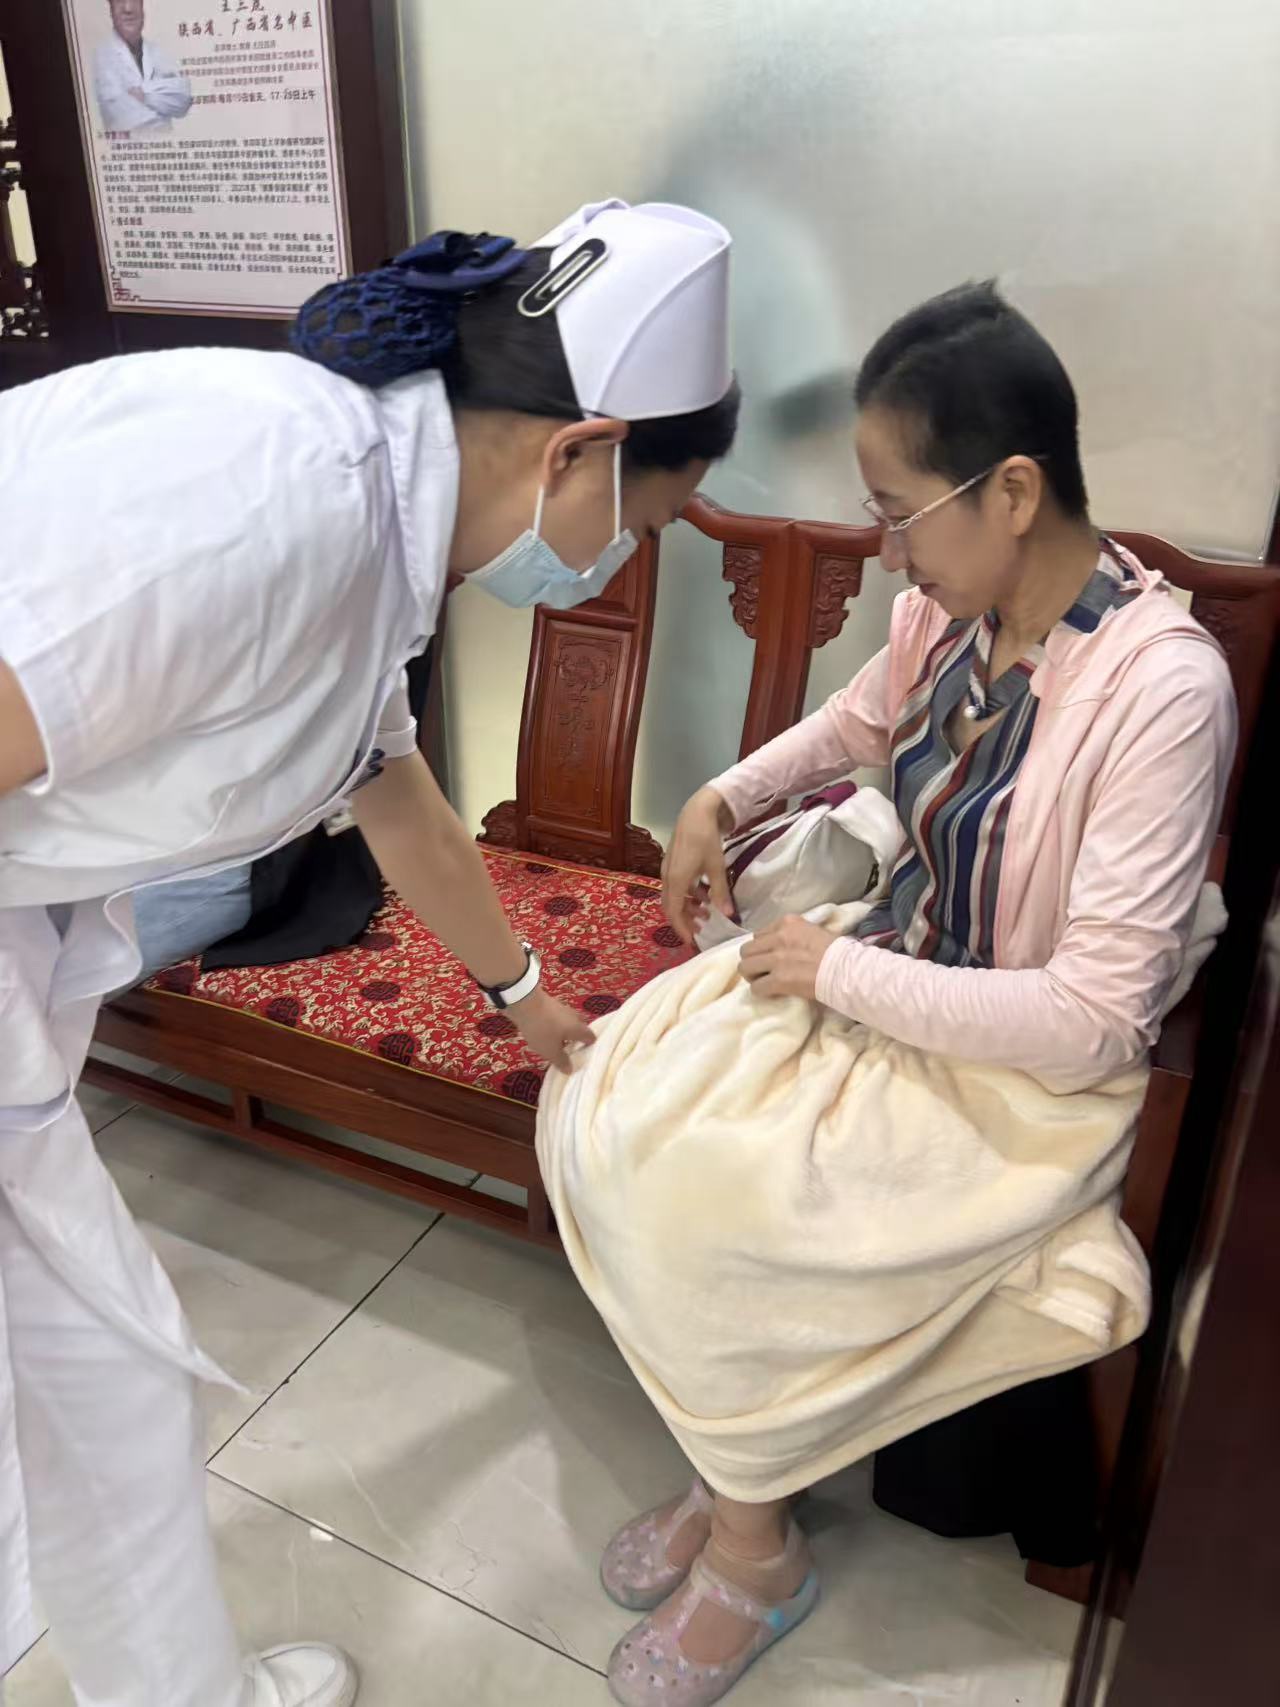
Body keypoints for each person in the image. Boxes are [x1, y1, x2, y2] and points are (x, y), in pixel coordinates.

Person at [0, 198, 737, 1707]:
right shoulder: (276, 498)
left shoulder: (370, 530)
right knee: (92, 1392)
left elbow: (388, 786)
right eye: (647, 526)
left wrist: (526, 998)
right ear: (582, 452)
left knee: (101, 1392)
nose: (619, 564)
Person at [535, 283, 1236, 1706]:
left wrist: (836, 969)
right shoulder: (948, 618)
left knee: (708, 1201)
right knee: (606, 1105)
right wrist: (715, 798)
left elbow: (1095, 1017)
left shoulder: (1162, 691)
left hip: (1010, 1064)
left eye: (901, 513)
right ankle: (733, 1460)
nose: (888, 551)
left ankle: (755, 1548)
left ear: (1013, 491)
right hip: (878, 973)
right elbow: (850, 726)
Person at [93, 0, 193, 134]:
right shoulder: (101, 56)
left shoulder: (158, 51)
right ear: (111, 9)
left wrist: (143, 94)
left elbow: (183, 100)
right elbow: (125, 120)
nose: (128, 8)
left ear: (142, 6)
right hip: (130, 147)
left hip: (168, 145)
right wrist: (161, 98)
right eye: (119, 1)